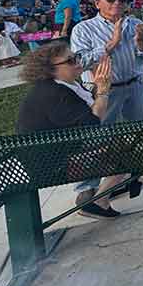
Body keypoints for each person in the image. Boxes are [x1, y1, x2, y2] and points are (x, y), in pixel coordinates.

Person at [70, 0, 143, 201]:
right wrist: (111, 43)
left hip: (134, 84)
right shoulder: (84, 29)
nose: (117, 4)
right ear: (97, 3)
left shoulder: (136, 24)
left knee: (140, 128)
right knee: (96, 134)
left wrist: (140, 43)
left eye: (122, 0)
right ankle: (87, 185)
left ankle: (141, 165)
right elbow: (79, 62)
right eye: (111, 0)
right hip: (103, 90)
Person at [17, 43, 126, 219]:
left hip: (56, 154)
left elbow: (89, 116)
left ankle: (102, 196)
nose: (77, 62)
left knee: (123, 146)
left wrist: (100, 87)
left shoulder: (63, 85)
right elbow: (92, 124)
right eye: (70, 60)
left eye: (76, 57)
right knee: (126, 154)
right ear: (51, 69)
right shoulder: (54, 93)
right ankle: (98, 202)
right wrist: (103, 91)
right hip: (51, 166)